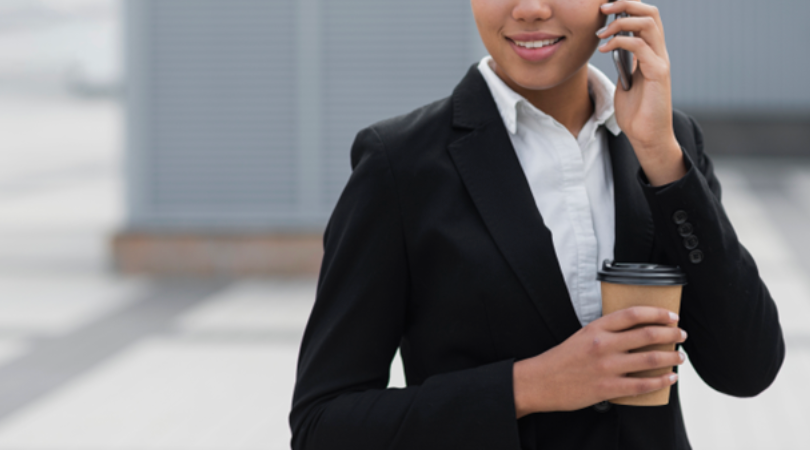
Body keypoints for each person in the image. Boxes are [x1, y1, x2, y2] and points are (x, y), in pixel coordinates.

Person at [289, 0, 785, 448]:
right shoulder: (400, 164)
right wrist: (528, 386)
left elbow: (747, 370)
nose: (528, 8)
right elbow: (323, 423)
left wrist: (660, 155)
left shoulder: (667, 141)